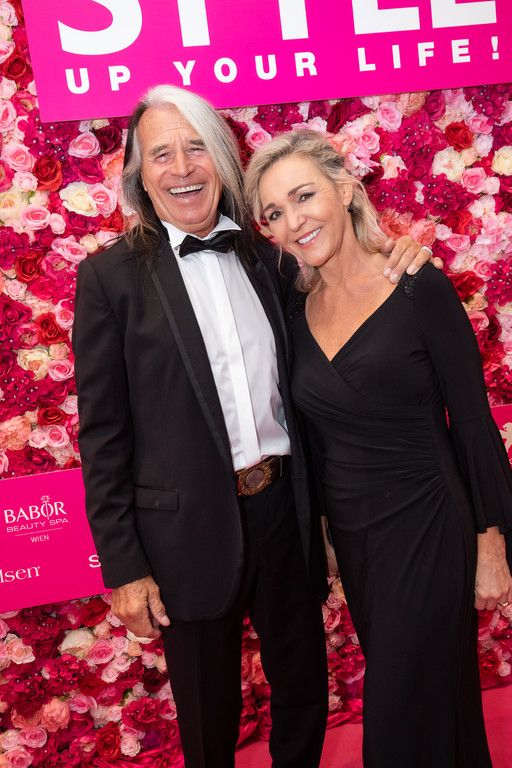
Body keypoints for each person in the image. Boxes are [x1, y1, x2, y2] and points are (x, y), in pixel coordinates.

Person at [72, 86, 437, 768]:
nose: (183, 167)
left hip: (283, 512)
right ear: (139, 175)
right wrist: (125, 567)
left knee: (303, 688)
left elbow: (347, 293)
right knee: (208, 712)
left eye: (197, 148)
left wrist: (401, 254)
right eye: (161, 154)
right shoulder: (109, 280)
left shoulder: (270, 257)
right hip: (184, 531)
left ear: (223, 159)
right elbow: (103, 435)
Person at [245, 129, 512, 768]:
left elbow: (472, 423)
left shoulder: (418, 286)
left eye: (304, 196)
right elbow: (312, 438)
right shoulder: (292, 308)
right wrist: (326, 531)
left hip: (429, 525)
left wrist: (492, 542)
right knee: (435, 705)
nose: (293, 221)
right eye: (274, 213)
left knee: (399, 716)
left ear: (345, 190)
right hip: (359, 540)